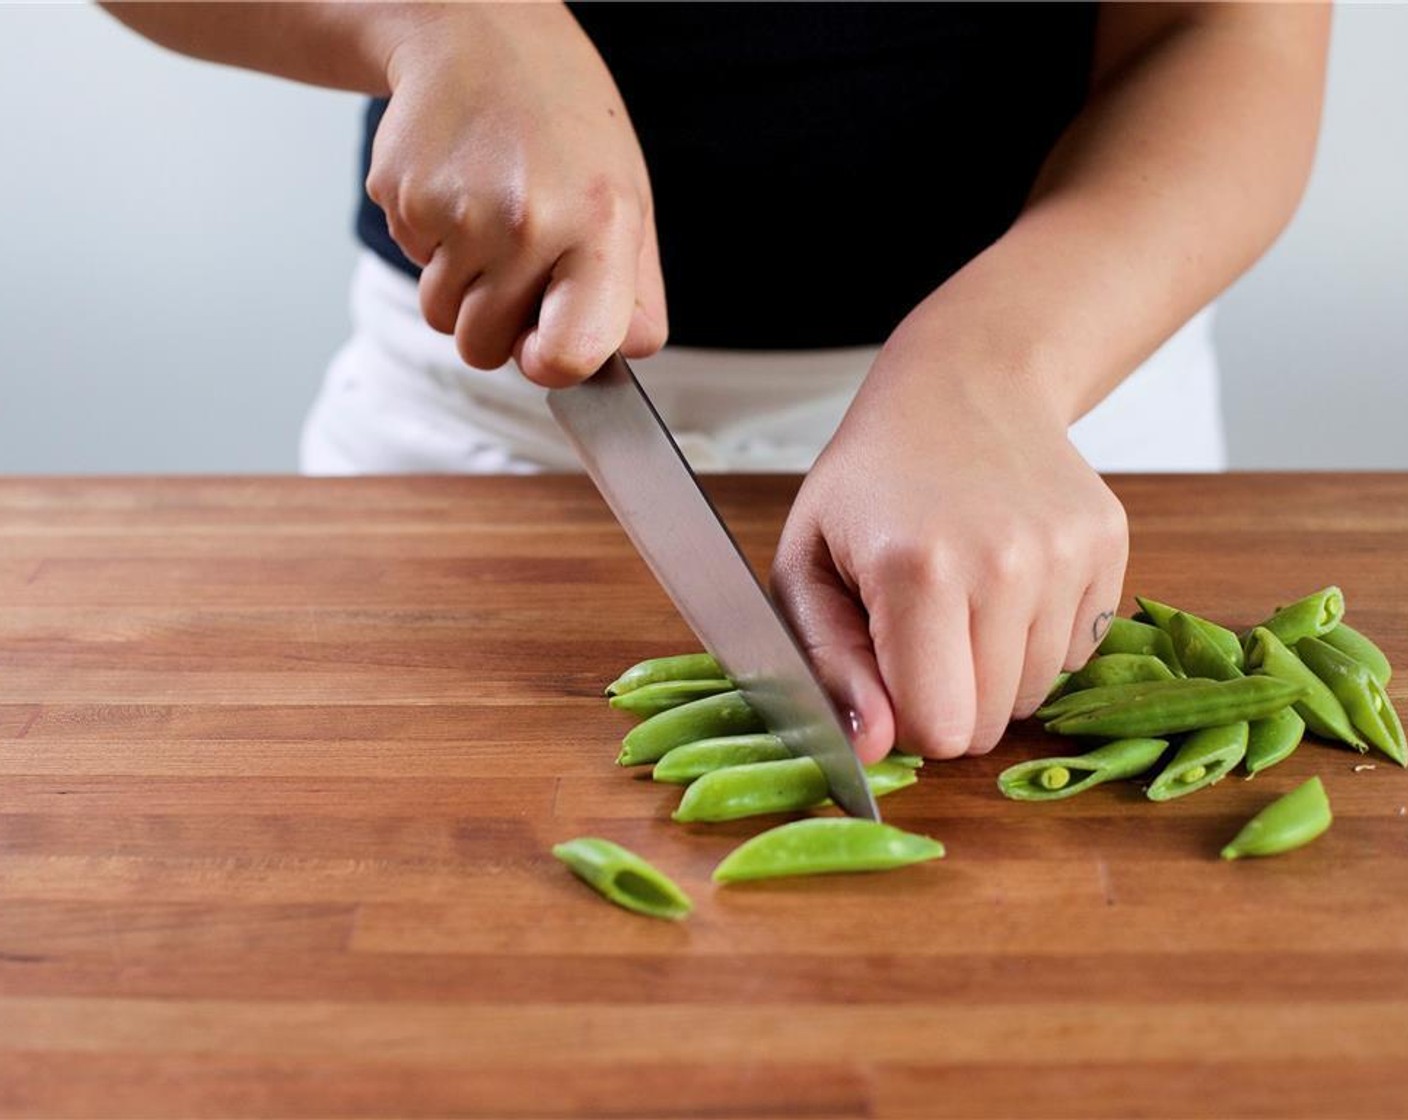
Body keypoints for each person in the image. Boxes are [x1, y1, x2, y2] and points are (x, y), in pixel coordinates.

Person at [102, 2, 1331, 765]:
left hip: (1045, 420)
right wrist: (444, 14)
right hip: (490, 414)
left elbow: (1229, 31)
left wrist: (991, 373)